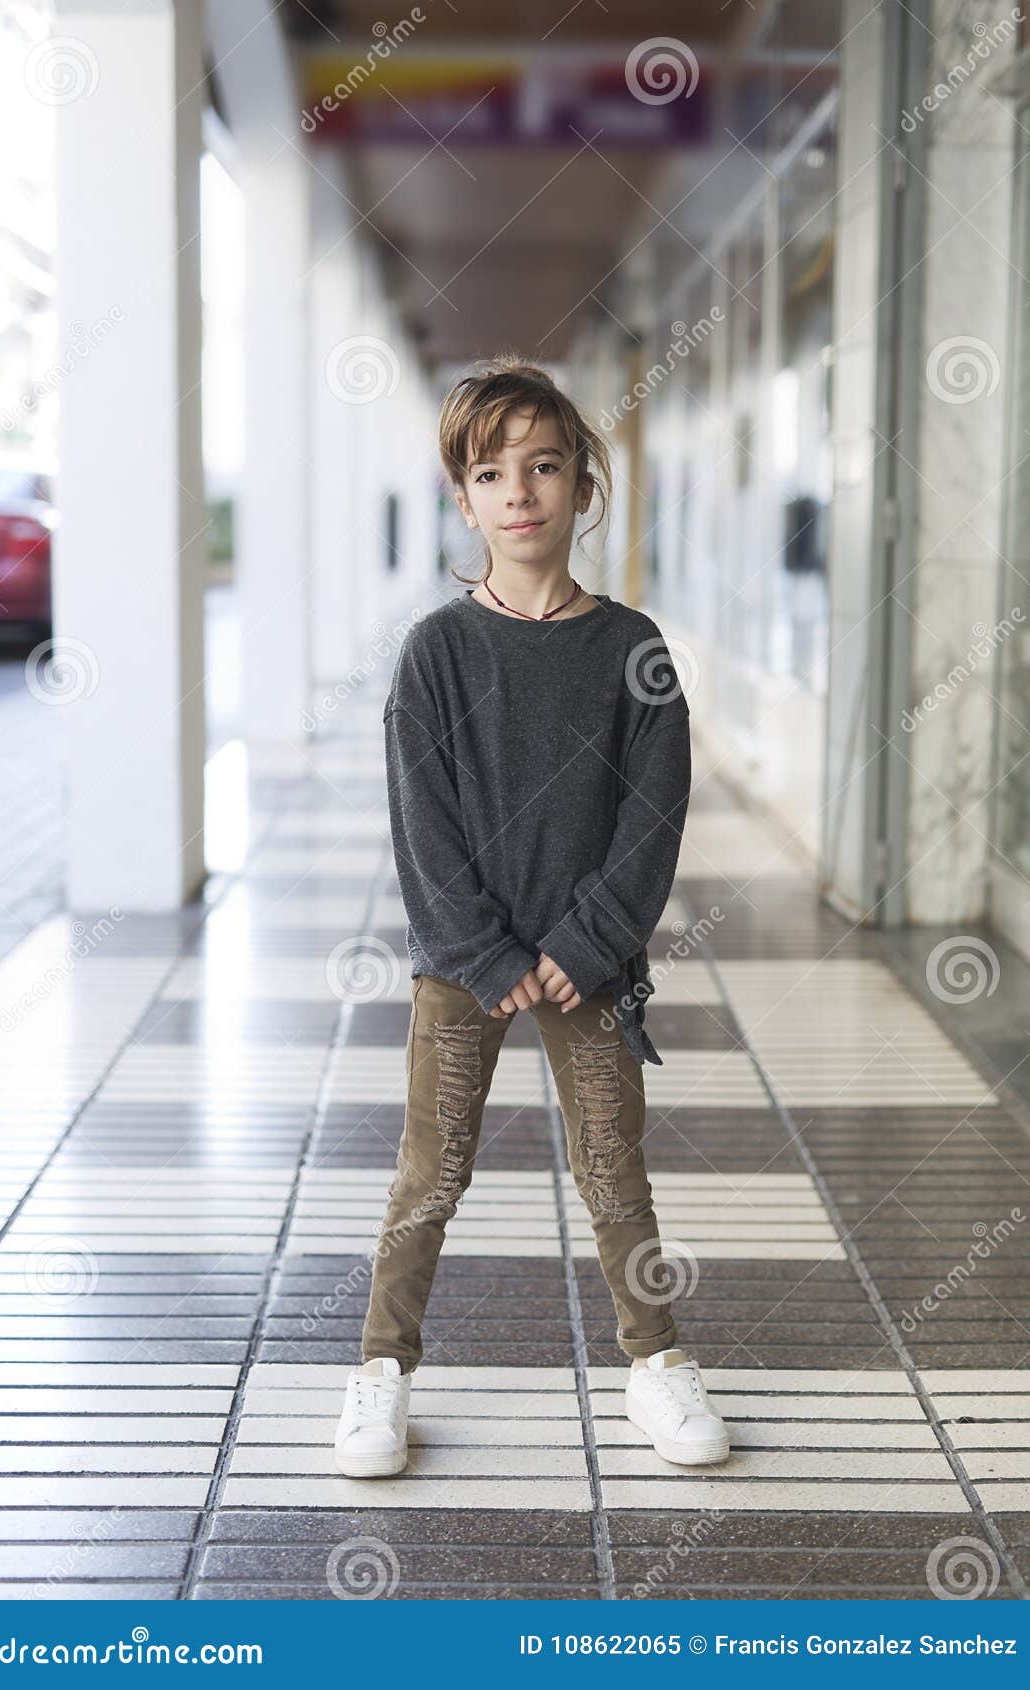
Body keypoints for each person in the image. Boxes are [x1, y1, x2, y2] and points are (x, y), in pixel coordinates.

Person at [334, 355, 729, 1478]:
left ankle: (655, 1362)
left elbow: (653, 816)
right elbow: (425, 821)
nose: (520, 491)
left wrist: (577, 945)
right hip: (465, 966)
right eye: (492, 471)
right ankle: (381, 1371)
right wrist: (488, 953)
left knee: (612, 1163)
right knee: (431, 1168)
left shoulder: (630, 651)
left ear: (581, 487)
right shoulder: (438, 652)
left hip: (587, 970)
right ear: (463, 498)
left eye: (544, 465)